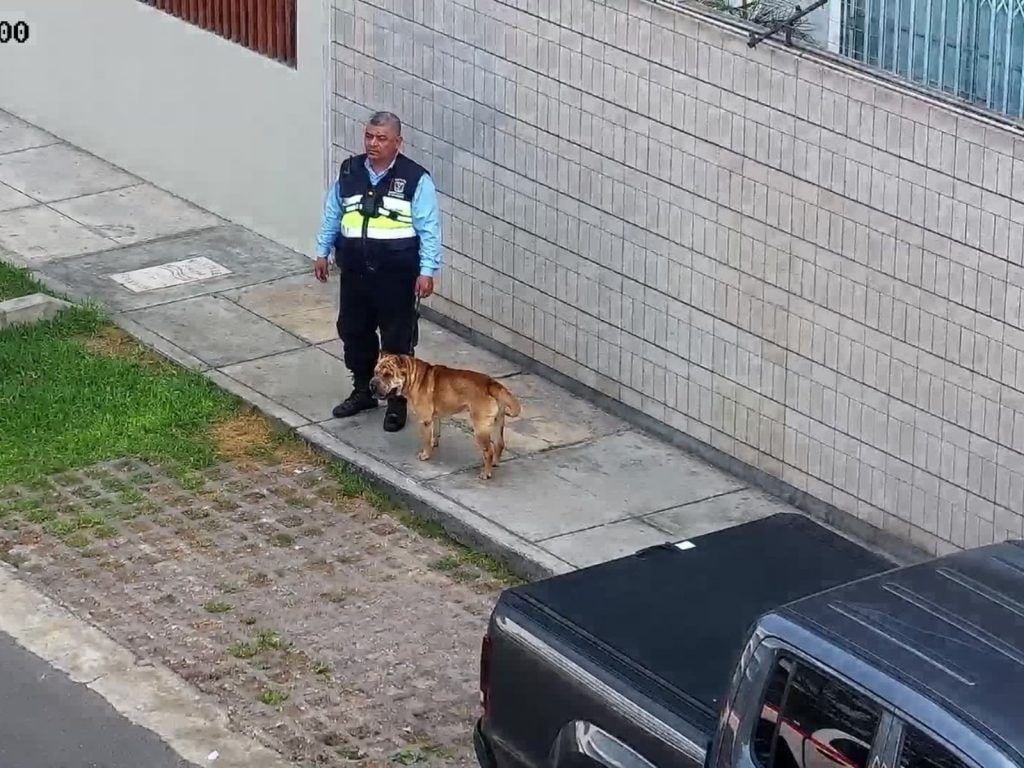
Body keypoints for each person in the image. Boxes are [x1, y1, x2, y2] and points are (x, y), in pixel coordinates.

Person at [313, 111, 442, 432]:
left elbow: (429, 229)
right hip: (355, 270)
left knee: (397, 338)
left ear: (398, 142)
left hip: (396, 275)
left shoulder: (415, 179)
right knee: (354, 330)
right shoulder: (350, 170)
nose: (373, 143)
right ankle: (363, 390)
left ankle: (397, 402)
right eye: (369, 136)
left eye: (381, 138)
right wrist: (322, 250)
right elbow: (333, 212)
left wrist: (427, 270)